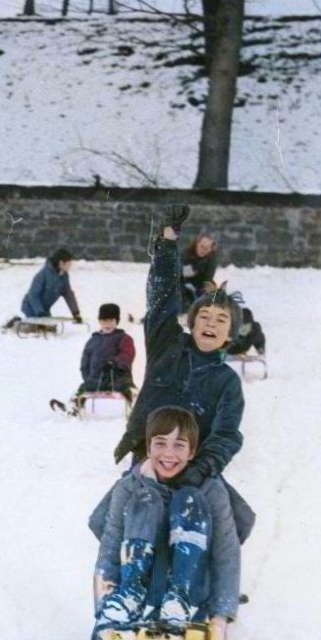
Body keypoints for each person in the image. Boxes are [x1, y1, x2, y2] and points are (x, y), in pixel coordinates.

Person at [111, 204, 245, 485]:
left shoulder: (227, 382)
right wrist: (169, 240)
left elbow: (227, 434)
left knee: (230, 522)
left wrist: (203, 468)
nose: (210, 324)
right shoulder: (167, 346)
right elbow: (162, 297)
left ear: (230, 336)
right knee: (114, 521)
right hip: (146, 463)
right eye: (204, 317)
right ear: (192, 323)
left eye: (220, 320)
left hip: (195, 473)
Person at [92, 406, 240, 640]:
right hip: (143, 587)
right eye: (160, 443)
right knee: (145, 500)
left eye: (179, 445)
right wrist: (103, 606)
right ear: (148, 447)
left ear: (192, 452)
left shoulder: (211, 489)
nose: (168, 454)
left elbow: (226, 553)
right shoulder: (128, 487)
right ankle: (131, 594)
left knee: (189, 499)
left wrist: (220, 617)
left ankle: (179, 596)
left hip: (193, 589)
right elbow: (110, 545)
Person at [55, 303, 136, 416]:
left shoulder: (124, 338)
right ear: (100, 321)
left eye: (111, 320)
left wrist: (115, 362)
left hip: (118, 377)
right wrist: (87, 375)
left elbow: (127, 355)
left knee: (129, 389)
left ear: (116, 321)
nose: (107, 324)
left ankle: (138, 410)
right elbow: (86, 359)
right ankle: (72, 408)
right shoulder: (93, 340)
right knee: (83, 389)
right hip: (97, 378)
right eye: (104, 321)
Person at [7, 248, 82, 326]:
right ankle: (15, 323)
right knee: (36, 329)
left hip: (45, 309)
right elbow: (33, 295)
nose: (70, 267)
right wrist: (40, 312)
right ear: (61, 263)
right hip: (31, 307)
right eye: (68, 264)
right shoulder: (43, 274)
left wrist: (75, 312)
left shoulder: (64, 276)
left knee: (50, 329)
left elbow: (68, 294)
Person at [181, 233, 219, 310]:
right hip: (183, 283)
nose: (203, 250)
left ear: (211, 249)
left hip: (201, 283)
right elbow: (180, 274)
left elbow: (207, 278)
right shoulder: (185, 254)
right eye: (201, 246)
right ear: (196, 244)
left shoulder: (211, 260)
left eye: (207, 248)